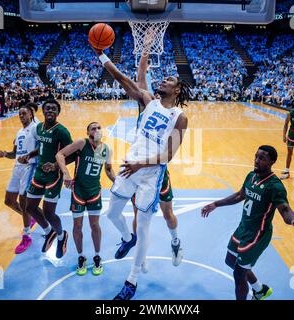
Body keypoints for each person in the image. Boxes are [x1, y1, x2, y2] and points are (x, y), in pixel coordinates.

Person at [92, 45, 190, 300]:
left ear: (177, 90)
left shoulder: (179, 117)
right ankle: (127, 238)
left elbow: (168, 156)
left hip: (151, 173)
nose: (164, 80)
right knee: (112, 213)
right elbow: (122, 78)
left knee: (144, 226)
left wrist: (141, 164)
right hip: (131, 165)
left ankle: (132, 281)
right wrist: (102, 55)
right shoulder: (148, 100)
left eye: (169, 80)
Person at [201, 145, 294, 300]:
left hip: (258, 235)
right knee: (230, 260)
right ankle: (259, 290)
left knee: (239, 273)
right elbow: (239, 195)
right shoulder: (251, 176)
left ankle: (254, 294)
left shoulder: (275, 186)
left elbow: (285, 210)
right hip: (243, 228)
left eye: (262, 158)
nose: (257, 161)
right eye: (256, 156)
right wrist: (216, 204)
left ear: (271, 162)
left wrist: (293, 219)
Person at [131, 54, 183, 268]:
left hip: (157, 170)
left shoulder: (175, 115)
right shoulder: (147, 103)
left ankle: (176, 241)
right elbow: (141, 75)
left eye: (169, 81)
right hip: (136, 167)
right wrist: (144, 50)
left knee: (167, 212)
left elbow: (170, 152)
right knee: (137, 213)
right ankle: (140, 255)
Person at [56, 122, 115, 276]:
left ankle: (97, 255)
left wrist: (119, 183)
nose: (97, 130)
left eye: (99, 127)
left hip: (94, 191)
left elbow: (108, 170)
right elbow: (59, 155)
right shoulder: (82, 143)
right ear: (88, 132)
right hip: (79, 192)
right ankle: (80, 256)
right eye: (93, 128)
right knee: (77, 226)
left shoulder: (107, 149)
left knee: (95, 225)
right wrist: (66, 174)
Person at [23, 99, 72, 259]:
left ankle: (61, 235)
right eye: (47, 108)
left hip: (54, 177)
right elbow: (42, 146)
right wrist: (31, 154)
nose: (50, 111)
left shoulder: (62, 131)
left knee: (49, 213)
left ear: (58, 113)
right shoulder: (39, 128)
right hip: (39, 173)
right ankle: (48, 231)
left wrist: (56, 166)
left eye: (53, 109)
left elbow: (71, 154)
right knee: (29, 207)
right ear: (43, 112)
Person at [0, 105, 38, 254]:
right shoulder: (19, 131)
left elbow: (42, 148)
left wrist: (29, 157)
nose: (21, 115)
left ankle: (26, 235)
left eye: (24, 113)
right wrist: (5, 154)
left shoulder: (36, 128)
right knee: (8, 201)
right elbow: (14, 154)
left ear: (30, 114)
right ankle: (29, 218)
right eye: (20, 113)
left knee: (23, 201)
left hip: (29, 167)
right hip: (17, 168)